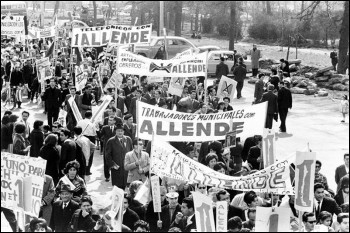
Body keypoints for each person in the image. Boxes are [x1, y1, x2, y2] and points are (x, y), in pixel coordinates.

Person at [105, 123, 133, 189]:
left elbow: (131, 152)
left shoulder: (128, 139)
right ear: (115, 131)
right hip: (117, 167)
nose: (120, 132)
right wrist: (113, 164)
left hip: (127, 167)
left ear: (124, 131)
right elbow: (107, 155)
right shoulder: (111, 141)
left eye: (121, 131)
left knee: (127, 185)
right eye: (118, 131)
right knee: (117, 186)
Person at [100, 116, 117, 182]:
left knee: (115, 161)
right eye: (109, 120)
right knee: (106, 162)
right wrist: (97, 129)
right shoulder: (104, 128)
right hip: (107, 148)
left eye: (111, 120)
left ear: (114, 121)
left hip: (115, 147)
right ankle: (107, 176)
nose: (110, 121)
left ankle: (115, 176)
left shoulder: (117, 128)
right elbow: (100, 136)